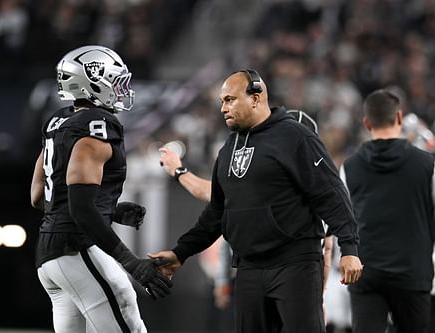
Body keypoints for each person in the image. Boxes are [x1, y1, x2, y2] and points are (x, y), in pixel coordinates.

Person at [150, 69, 363, 333]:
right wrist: (181, 252)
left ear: (256, 98)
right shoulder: (228, 148)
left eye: (230, 99)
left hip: (294, 264)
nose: (223, 108)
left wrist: (350, 249)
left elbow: (331, 194)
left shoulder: (296, 136)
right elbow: (217, 212)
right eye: (222, 101)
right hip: (249, 268)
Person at [30, 45, 172, 333]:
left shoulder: (59, 124)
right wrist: (131, 262)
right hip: (75, 250)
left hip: (50, 257)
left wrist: (110, 210)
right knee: (124, 305)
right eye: (116, 81)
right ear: (93, 81)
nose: (122, 89)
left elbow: (39, 196)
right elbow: (79, 208)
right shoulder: (95, 127)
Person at [158, 110, 334, 314]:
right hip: (302, 283)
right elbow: (327, 249)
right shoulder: (324, 186)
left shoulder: (274, 183)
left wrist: (179, 171)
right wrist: (320, 295)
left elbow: (211, 193)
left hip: (276, 279)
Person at [339, 89, 435, 333]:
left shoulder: (349, 167)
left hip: (366, 274)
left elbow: (342, 220)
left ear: (367, 122)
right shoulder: (428, 165)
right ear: (400, 118)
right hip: (414, 273)